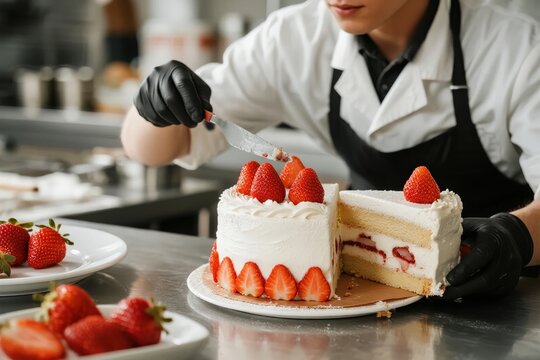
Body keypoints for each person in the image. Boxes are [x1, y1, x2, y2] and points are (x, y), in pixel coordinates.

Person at [121, 0, 540, 300]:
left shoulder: (515, 48)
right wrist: (154, 109)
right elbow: (158, 149)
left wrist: (517, 237)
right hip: (355, 292)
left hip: (501, 298)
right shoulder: (294, 38)